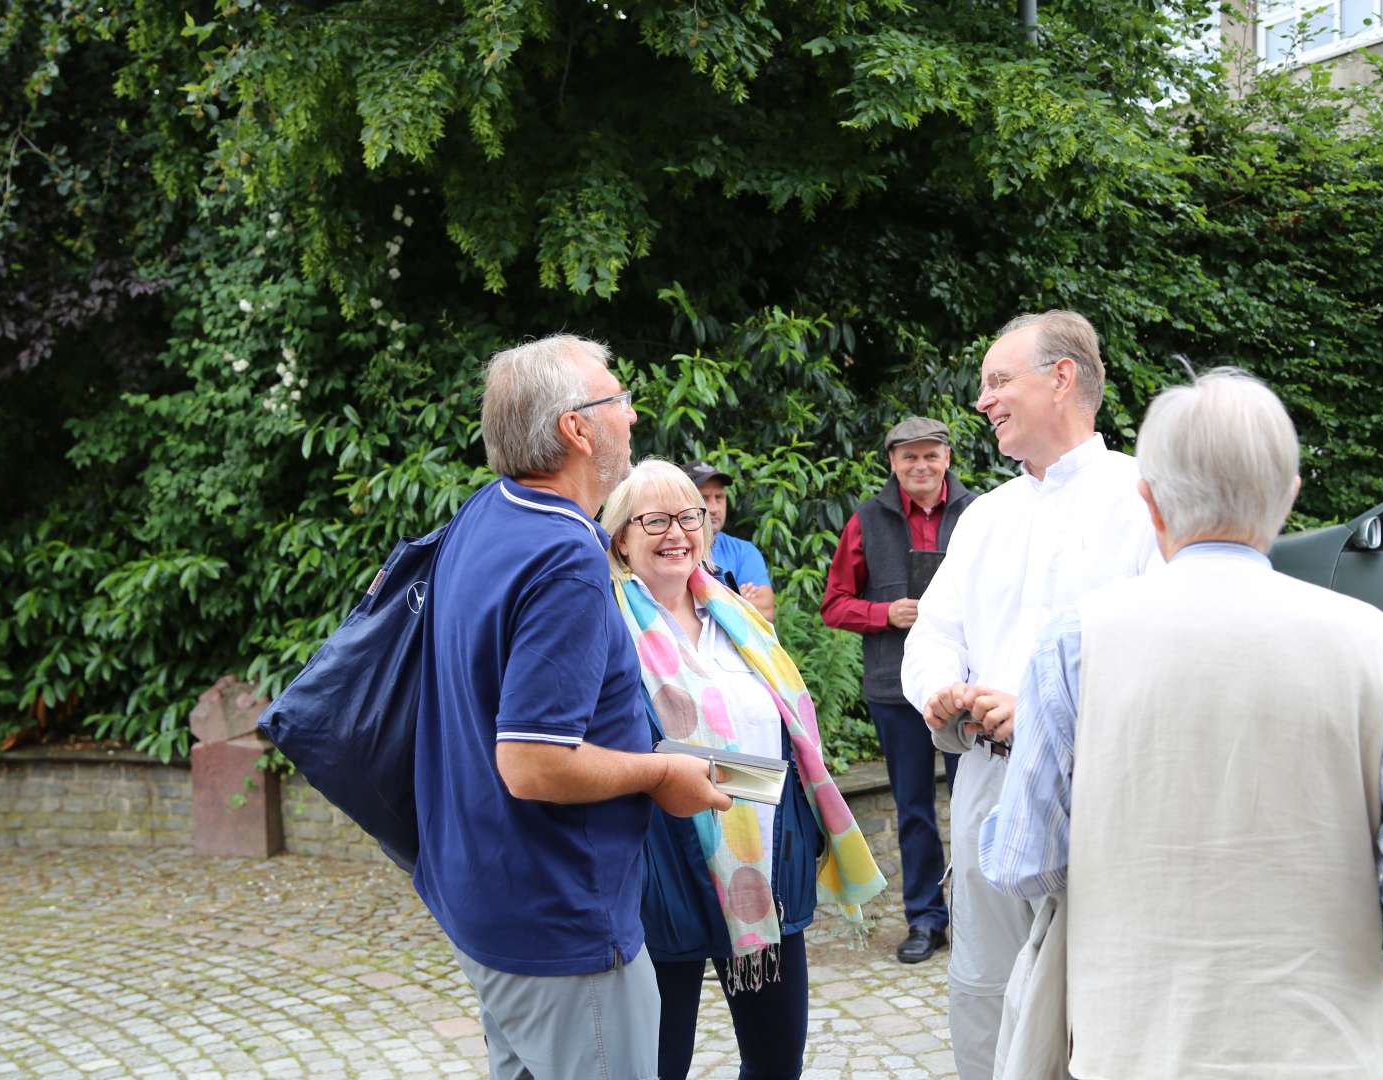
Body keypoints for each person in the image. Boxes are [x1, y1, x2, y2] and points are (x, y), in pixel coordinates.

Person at [980, 368, 1383, 1079]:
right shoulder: (1374, 641)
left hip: (1135, 1046)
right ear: (1288, 498)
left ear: (1149, 503)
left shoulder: (1075, 643)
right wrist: (1360, 942)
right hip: (1323, 1048)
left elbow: (1020, 859)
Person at [415, 335, 732, 1080]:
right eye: (617, 398)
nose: (630, 413)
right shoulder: (565, 555)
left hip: (486, 897)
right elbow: (531, 763)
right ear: (576, 429)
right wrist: (660, 774)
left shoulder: (486, 514)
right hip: (560, 920)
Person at [900, 311, 1158, 1076]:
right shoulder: (986, 516)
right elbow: (934, 631)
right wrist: (940, 689)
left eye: (998, 380)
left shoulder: (1145, 497)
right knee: (984, 986)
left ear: (1062, 376)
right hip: (988, 786)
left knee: (1099, 994)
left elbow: (1168, 648)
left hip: (1101, 793)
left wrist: (1048, 712)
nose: (983, 401)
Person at [601, 459, 886, 1080]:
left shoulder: (736, 616)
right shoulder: (604, 625)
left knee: (777, 1060)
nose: (677, 531)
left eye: (689, 516)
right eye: (655, 519)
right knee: (657, 1062)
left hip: (764, 861)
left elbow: (789, 736)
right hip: (661, 864)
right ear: (621, 537)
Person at [821, 417, 976, 964]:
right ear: (892, 463)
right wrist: (884, 612)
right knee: (913, 808)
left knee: (977, 801)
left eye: (930, 455)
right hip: (896, 687)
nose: (920, 466)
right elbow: (834, 603)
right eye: (908, 457)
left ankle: (978, 920)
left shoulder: (980, 514)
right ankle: (926, 920)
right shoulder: (867, 520)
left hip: (971, 687)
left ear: (947, 459)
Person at [685, 460, 776, 622]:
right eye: (704, 498)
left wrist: (704, 601)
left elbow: (766, 610)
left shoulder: (744, 551)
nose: (714, 508)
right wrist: (737, 596)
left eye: (719, 497)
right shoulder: (673, 551)